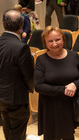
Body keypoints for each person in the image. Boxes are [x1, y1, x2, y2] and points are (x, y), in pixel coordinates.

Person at [34, 26, 79, 140]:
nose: (54, 44)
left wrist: (74, 84)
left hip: (69, 105)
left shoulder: (74, 56)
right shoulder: (41, 60)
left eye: (57, 39)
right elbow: (38, 86)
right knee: (51, 137)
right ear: (45, 43)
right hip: (50, 106)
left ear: (63, 39)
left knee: (69, 136)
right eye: (50, 41)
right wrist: (64, 90)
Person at [0, 9, 34, 140]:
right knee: (17, 134)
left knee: (7, 129)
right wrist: (32, 87)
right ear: (21, 26)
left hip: (2, 98)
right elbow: (29, 75)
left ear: (3, 24)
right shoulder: (21, 47)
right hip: (15, 100)